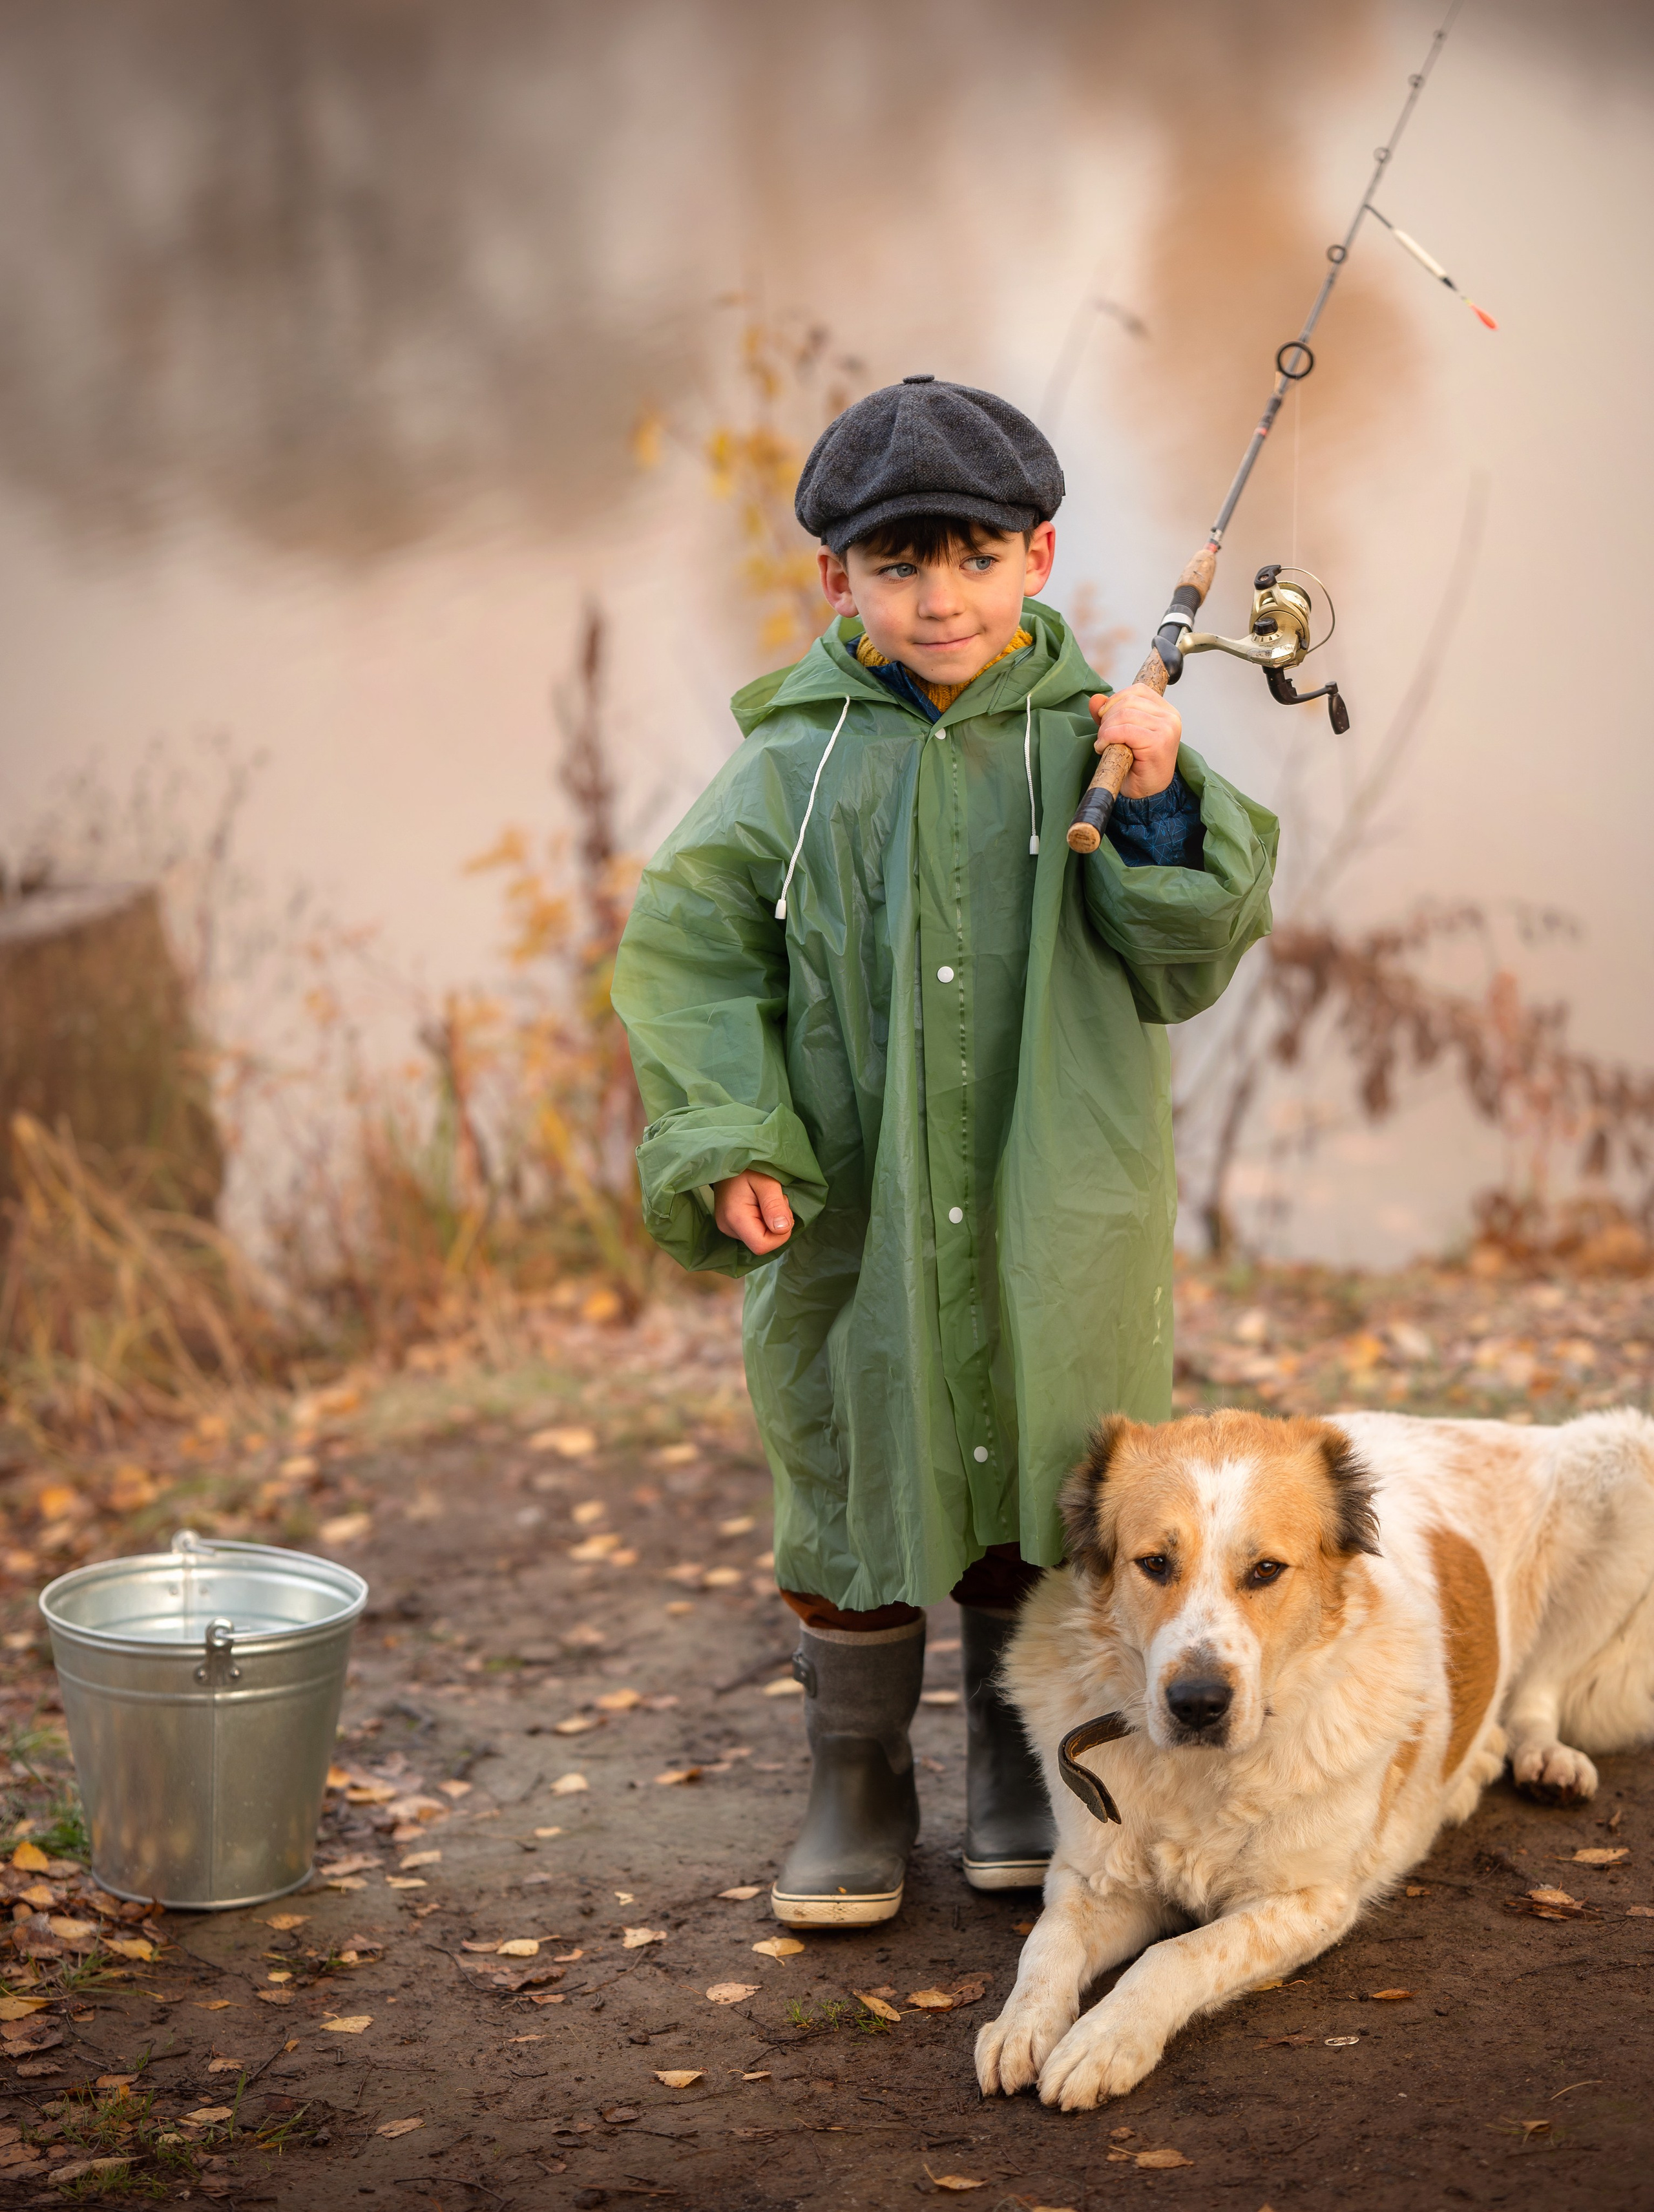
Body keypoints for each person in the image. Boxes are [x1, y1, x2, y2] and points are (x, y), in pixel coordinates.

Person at [611, 374, 1277, 1926]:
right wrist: (727, 1130)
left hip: (1064, 1197)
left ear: (1039, 557)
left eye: (973, 559)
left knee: (1048, 1479)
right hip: (856, 1197)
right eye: (897, 566)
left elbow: (1182, 951)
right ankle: (854, 1778)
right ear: (834, 578)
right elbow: (690, 955)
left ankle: (1009, 1753)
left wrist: (1164, 802)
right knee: (845, 1468)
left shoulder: (1097, 741)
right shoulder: (790, 766)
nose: (939, 599)